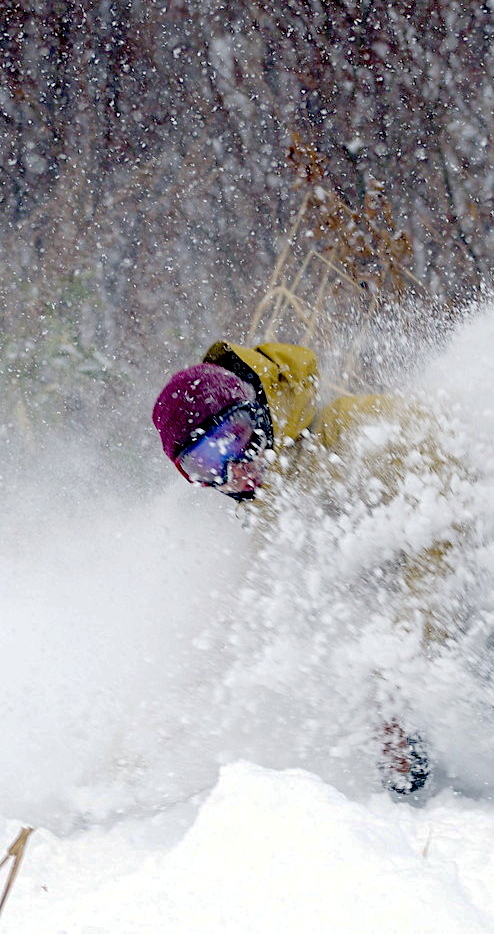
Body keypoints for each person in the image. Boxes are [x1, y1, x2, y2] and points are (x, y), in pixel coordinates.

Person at [152, 339, 439, 794]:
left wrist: (401, 670)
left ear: (257, 410)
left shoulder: (355, 433)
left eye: (236, 437)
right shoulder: (272, 509)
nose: (235, 470)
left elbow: (455, 507)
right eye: (207, 464)